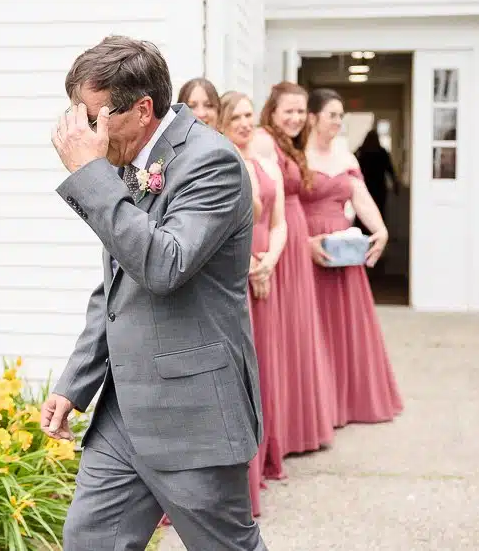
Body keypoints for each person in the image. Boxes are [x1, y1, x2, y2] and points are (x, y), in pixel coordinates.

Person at [43, 36, 268, 551]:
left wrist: (91, 176)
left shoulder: (212, 162)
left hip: (191, 411)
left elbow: (164, 265)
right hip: (124, 412)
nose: (88, 133)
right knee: (89, 540)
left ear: (143, 108)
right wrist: (76, 382)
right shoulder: (127, 160)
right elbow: (116, 285)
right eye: (80, 115)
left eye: (97, 117)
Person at [301, 88, 403, 426]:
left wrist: (381, 229)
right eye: (332, 114)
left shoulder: (346, 156)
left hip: (344, 250)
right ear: (312, 117)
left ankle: (349, 402)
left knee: (347, 326)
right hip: (310, 244)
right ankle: (320, 406)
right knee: (314, 326)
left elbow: (360, 197)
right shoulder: (298, 155)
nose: (337, 121)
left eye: (340, 116)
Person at [251, 81, 337, 450]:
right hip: (279, 248)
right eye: (288, 110)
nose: (296, 117)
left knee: (297, 333)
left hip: (296, 247)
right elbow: (263, 205)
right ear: (271, 111)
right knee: (279, 337)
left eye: (301, 111)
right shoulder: (262, 141)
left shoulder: (292, 144)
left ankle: (299, 427)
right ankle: (279, 433)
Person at [219, 91, 289, 517]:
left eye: (249, 116)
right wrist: (247, 266)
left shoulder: (266, 166)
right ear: (223, 123)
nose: (245, 124)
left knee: (265, 371)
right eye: (236, 117)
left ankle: (262, 462)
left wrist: (269, 264)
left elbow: (279, 224)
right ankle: (235, 481)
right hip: (235, 277)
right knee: (239, 376)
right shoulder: (220, 165)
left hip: (266, 272)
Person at [355, 129, 399, 219]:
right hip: (379, 187)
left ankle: (363, 230)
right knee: (379, 211)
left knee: (362, 211)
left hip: (365, 186)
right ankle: (377, 229)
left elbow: (352, 168)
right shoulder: (382, 152)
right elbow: (390, 169)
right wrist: (395, 184)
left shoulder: (360, 151)